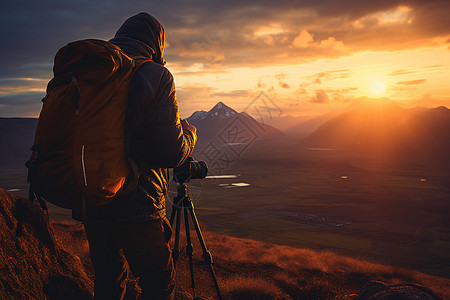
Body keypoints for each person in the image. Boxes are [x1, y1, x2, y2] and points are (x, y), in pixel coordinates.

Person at [83, 12, 197, 300]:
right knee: (159, 285)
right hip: (138, 202)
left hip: (92, 198)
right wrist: (190, 135)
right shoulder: (156, 75)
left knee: (109, 281)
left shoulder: (94, 71)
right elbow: (170, 151)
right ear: (156, 44)